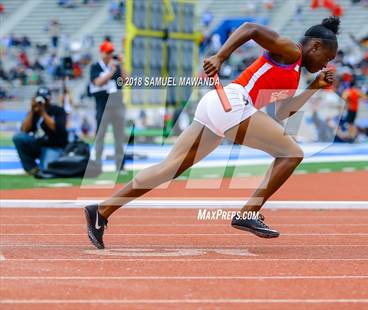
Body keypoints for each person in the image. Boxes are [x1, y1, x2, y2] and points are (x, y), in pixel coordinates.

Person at [84, 17, 340, 249]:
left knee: (168, 168)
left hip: (218, 106)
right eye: (327, 58)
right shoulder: (291, 50)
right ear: (315, 46)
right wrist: (220, 56)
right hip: (232, 103)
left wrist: (314, 87)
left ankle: (102, 211)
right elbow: (250, 28)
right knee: (292, 153)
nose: (325, 65)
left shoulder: (294, 75)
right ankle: (248, 213)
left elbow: (284, 112)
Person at [89, 41, 127, 171]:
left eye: (111, 52)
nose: (110, 54)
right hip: (103, 105)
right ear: (102, 53)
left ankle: (120, 165)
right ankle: (98, 164)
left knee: (119, 136)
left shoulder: (116, 66)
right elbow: (98, 82)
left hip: (117, 104)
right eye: (108, 52)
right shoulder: (95, 67)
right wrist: (111, 72)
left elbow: (125, 80)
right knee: (100, 135)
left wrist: (121, 64)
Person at [13, 87, 68, 175]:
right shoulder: (34, 111)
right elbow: (24, 129)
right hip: (38, 144)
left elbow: (56, 127)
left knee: (47, 170)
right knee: (18, 138)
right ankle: (32, 168)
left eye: (44, 98)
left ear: (49, 98)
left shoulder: (58, 110)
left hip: (53, 146)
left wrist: (43, 112)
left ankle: (49, 162)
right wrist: (32, 111)